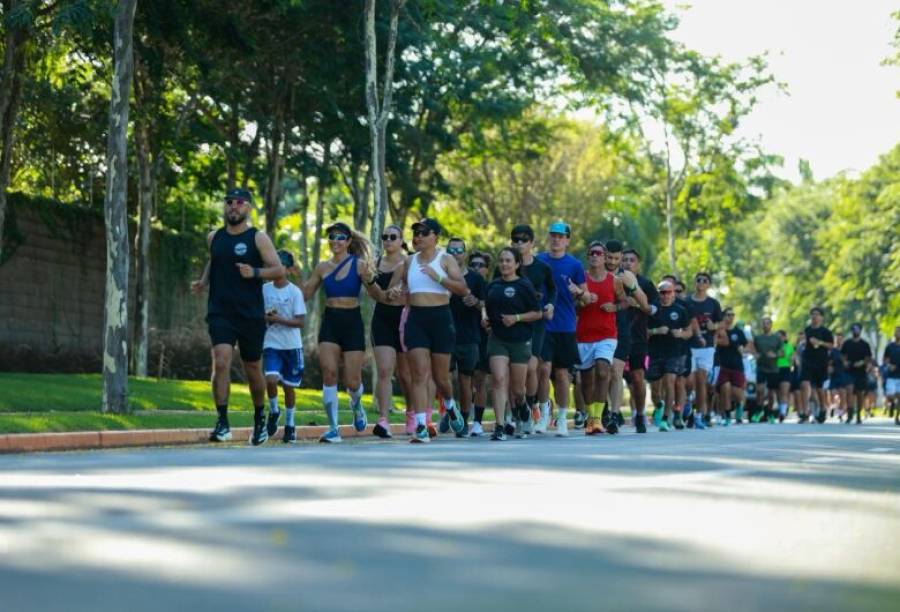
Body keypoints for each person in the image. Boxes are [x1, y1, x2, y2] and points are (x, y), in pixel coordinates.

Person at [191, 187, 284, 445]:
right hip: (220, 311)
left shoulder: (258, 238)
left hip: (250, 314)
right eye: (229, 202)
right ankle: (222, 422)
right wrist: (203, 281)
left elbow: (278, 270)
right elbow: (215, 260)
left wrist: (255, 272)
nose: (234, 206)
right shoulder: (214, 237)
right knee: (221, 361)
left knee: (252, 368)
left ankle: (259, 416)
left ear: (248, 208)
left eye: (239, 202)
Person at [386, 217, 470, 443]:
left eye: (424, 232)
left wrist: (439, 278)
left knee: (441, 378)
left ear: (436, 237)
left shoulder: (445, 259)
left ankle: (450, 406)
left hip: (441, 319)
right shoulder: (409, 261)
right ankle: (422, 426)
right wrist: (395, 291)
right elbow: (399, 286)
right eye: (416, 233)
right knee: (419, 374)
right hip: (416, 320)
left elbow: (463, 289)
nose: (419, 236)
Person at [303, 221, 384, 443]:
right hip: (330, 321)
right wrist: (289, 280)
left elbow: (377, 294)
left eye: (340, 237)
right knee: (328, 374)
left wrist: (370, 279)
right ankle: (333, 428)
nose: (335, 241)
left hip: (352, 323)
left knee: (352, 381)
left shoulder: (359, 265)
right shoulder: (322, 267)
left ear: (348, 241)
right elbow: (305, 294)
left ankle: (356, 404)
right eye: (332, 237)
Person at [483, 247, 543, 440]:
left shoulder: (524, 285)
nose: (504, 264)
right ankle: (500, 426)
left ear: (517, 264)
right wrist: (485, 320)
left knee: (518, 390)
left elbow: (537, 313)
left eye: (508, 260)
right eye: (501, 260)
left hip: (520, 340)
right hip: (497, 339)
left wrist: (516, 318)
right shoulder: (493, 286)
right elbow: (486, 308)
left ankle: (523, 406)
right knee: (499, 379)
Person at [536, 221, 587, 438]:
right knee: (543, 369)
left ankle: (563, 418)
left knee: (562, 374)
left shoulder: (575, 265)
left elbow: (586, 297)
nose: (556, 239)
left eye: (560, 236)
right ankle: (543, 415)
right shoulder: (538, 261)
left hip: (565, 326)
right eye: (553, 235)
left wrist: (578, 292)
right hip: (543, 324)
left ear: (567, 240)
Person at [506, 224, 557, 435]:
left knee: (531, 366)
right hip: (513, 323)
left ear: (532, 243)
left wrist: (550, 305)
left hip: (536, 322)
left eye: (524, 240)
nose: (519, 244)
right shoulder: (508, 265)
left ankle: (530, 406)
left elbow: (553, 289)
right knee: (513, 371)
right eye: (516, 240)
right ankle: (515, 414)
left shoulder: (542, 267)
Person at [575, 241, 628, 435]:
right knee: (586, 380)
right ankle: (590, 417)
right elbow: (572, 305)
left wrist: (615, 307)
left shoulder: (614, 280)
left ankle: (598, 418)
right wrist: (581, 301)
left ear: (605, 257)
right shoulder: (581, 279)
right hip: (583, 336)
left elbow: (625, 302)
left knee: (603, 371)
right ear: (588, 257)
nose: (595, 256)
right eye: (592, 253)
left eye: (599, 253)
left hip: (607, 335)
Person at [370, 224, 412, 439]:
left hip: (405, 320)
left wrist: (403, 291)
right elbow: (371, 292)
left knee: (405, 375)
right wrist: (382, 292)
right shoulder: (375, 263)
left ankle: (412, 414)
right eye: (385, 236)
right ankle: (383, 420)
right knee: (385, 370)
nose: (388, 240)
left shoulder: (410, 262)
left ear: (401, 240)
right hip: (382, 319)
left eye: (393, 237)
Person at [261, 250, 307, 443]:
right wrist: (265, 318)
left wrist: (278, 319)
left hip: (292, 346)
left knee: (289, 387)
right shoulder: (264, 289)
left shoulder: (294, 292)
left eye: (281, 265)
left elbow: (300, 322)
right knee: (271, 379)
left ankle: (290, 424)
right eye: (273, 265)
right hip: (271, 343)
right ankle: (274, 410)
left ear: (288, 270)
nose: (276, 268)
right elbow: (258, 314)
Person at [604, 240, 647, 433]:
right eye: (609, 257)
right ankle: (603, 411)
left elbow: (646, 304)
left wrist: (634, 289)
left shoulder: (628, 277)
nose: (613, 261)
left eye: (616, 258)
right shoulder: (596, 273)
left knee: (618, 372)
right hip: (599, 331)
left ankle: (620, 415)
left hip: (624, 332)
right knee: (602, 373)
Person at [444, 237, 485, 437]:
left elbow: (485, 306)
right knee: (444, 377)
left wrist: (476, 302)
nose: (455, 254)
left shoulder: (476, 278)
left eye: (459, 250)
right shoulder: (441, 276)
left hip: (469, 336)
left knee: (465, 380)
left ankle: (464, 420)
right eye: (451, 250)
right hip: (445, 334)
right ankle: (449, 411)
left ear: (465, 253)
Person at [646, 280, 691, 432]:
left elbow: (689, 331)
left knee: (669, 382)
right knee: (655, 391)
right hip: (655, 352)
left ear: (673, 293)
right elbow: (643, 331)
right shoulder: (652, 309)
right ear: (658, 294)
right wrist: (656, 331)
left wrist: (681, 334)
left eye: (669, 292)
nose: (666, 295)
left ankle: (666, 419)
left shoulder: (680, 310)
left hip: (673, 352)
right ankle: (659, 405)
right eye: (662, 292)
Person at [622, 249, 659, 432]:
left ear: (638, 264)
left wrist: (636, 303)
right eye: (625, 260)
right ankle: (609, 414)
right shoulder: (615, 280)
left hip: (638, 336)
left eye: (632, 260)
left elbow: (655, 309)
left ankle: (640, 415)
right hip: (616, 335)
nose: (628, 263)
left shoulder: (646, 283)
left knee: (637, 377)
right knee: (610, 374)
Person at [688, 272, 723, 429]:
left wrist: (713, 326)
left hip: (706, 347)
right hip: (688, 345)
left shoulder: (713, 303)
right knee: (689, 382)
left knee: (701, 380)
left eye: (704, 280)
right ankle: (688, 403)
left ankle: (699, 416)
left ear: (709, 284)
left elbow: (721, 324)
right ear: (695, 282)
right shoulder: (686, 301)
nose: (701, 282)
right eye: (699, 280)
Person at [469, 250, 493, 436]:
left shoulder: (491, 288)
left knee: (480, 377)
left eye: (480, 265)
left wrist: (478, 304)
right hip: (464, 336)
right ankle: (455, 414)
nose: (476, 268)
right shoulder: (461, 284)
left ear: (487, 269)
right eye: (473, 265)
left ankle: (477, 421)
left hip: (484, 338)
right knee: (461, 378)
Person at [800, 306, 834, 424]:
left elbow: (831, 345)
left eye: (817, 314)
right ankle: (805, 412)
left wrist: (819, 342)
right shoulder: (807, 330)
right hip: (807, 360)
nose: (814, 316)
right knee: (804, 384)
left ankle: (823, 409)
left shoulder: (825, 331)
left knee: (820, 388)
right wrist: (803, 343)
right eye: (812, 314)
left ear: (821, 317)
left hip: (820, 361)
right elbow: (803, 342)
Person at [715, 308, 748, 426]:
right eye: (728, 314)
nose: (731, 317)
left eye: (733, 315)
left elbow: (748, 345)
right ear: (723, 316)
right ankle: (727, 416)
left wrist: (743, 350)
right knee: (725, 389)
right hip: (723, 365)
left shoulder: (739, 332)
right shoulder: (719, 331)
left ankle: (739, 406)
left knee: (737, 393)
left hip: (737, 366)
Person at [752, 316, 783, 423]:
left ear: (771, 325)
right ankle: (758, 410)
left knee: (771, 393)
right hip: (761, 368)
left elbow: (782, 353)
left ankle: (770, 414)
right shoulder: (758, 338)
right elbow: (752, 349)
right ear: (762, 325)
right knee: (760, 390)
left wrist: (774, 355)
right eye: (764, 323)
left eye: (768, 323)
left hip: (773, 369)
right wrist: (755, 354)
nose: (766, 325)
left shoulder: (776, 338)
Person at [842, 323, 873, 425]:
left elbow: (869, 357)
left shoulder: (864, 344)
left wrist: (863, 362)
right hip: (849, 370)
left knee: (859, 393)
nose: (855, 331)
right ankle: (850, 412)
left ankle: (859, 414)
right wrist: (844, 362)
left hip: (860, 372)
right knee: (849, 390)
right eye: (853, 330)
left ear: (860, 331)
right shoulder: (847, 343)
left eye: (857, 330)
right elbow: (842, 355)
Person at [775, 330, 794, 422]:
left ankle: (783, 413)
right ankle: (781, 409)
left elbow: (792, 358)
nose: (779, 338)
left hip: (785, 369)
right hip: (775, 370)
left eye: (781, 336)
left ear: (784, 337)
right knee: (778, 393)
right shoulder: (774, 347)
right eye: (777, 337)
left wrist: (791, 360)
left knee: (784, 391)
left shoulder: (789, 346)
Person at [883, 325, 900, 426]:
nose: (897, 333)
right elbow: (885, 360)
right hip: (891, 376)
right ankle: (892, 403)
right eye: (896, 331)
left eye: (899, 331)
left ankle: (897, 417)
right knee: (891, 396)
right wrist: (889, 366)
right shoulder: (889, 347)